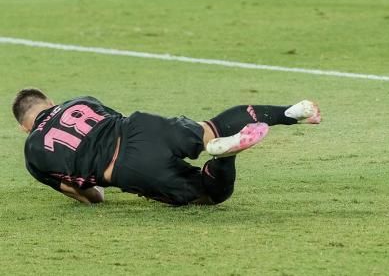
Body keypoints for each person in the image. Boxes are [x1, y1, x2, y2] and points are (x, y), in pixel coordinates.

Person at [13, 88, 320, 206]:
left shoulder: (33, 153)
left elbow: (87, 195)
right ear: (50, 102)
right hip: (139, 128)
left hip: (127, 167)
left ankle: (225, 158)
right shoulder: (79, 102)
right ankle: (288, 112)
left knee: (209, 194)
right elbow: (111, 119)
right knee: (208, 128)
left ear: (23, 127)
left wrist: (94, 191)